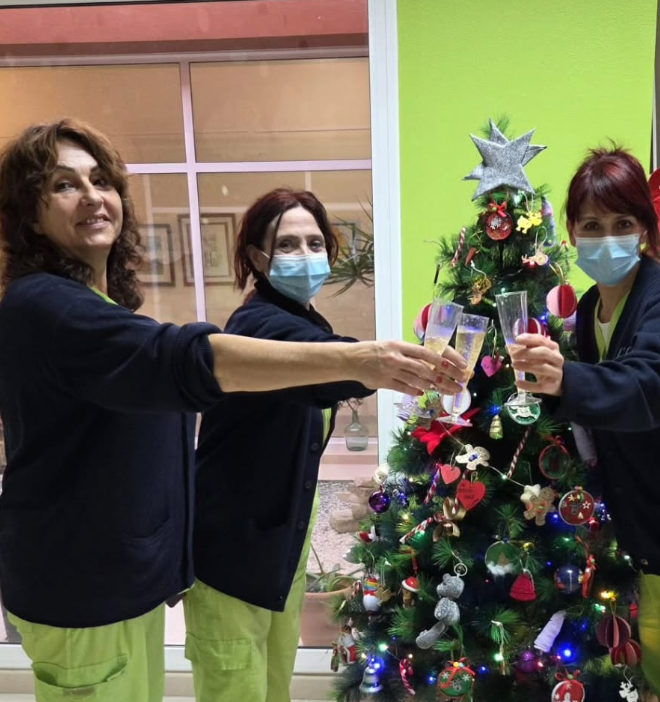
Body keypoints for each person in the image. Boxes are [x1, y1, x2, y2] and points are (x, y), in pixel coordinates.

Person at [0, 119, 467, 702]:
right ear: (29, 213)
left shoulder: (99, 308)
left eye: (101, 180)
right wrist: (365, 360)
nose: (93, 196)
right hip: (87, 587)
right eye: (65, 184)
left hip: (133, 581)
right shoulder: (45, 305)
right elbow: (184, 359)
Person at [510, 147, 660, 702]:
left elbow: (651, 387)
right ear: (572, 233)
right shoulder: (589, 311)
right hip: (650, 533)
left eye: (623, 224)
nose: (607, 239)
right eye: (592, 226)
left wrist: (564, 380)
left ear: (645, 228)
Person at [183, 188, 374, 702]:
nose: (305, 255)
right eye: (287, 244)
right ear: (257, 257)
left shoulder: (307, 322)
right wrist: (382, 361)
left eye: (315, 243)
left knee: (273, 690)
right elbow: (331, 367)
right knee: (235, 691)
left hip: (279, 556)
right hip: (229, 558)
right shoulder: (258, 326)